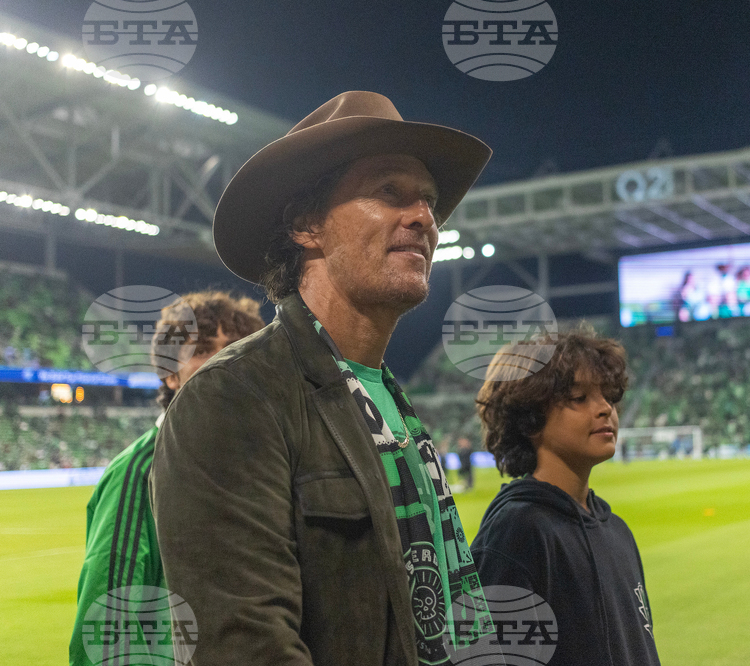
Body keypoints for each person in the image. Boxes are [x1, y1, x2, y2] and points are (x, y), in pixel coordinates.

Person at [150, 91, 494, 666]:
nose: (424, 219)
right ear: (307, 226)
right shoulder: (232, 397)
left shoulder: (386, 396)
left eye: (429, 202)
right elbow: (243, 647)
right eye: (390, 192)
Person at [69, 291, 265, 666]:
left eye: (238, 349)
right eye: (203, 349)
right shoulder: (140, 472)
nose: (224, 361)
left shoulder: (262, 466)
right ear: (170, 373)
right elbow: (106, 632)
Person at [471, 328, 661, 666]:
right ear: (531, 418)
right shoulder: (518, 532)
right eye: (579, 398)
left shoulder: (617, 531)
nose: (605, 409)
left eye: (610, 396)